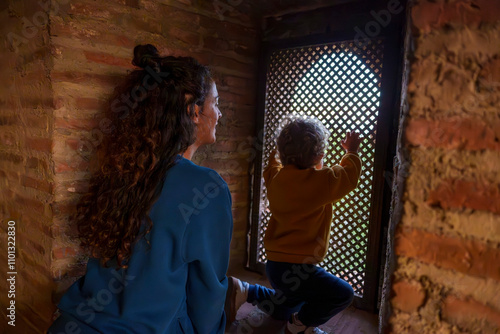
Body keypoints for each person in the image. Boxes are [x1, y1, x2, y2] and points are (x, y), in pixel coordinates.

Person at [48, 44, 232, 333]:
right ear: (194, 111)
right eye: (216, 103)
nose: (219, 113)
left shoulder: (122, 172)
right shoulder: (207, 188)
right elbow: (208, 292)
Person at [225, 116, 362, 334]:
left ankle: (247, 292)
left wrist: (280, 150)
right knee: (343, 293)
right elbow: (349, 177)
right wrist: (351, 151)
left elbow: (271, 165)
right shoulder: (322, 181)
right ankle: (300, 325)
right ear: (319, 156)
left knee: (287, 306)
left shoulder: (275, 178)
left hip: (275, 266)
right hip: (300, 269)